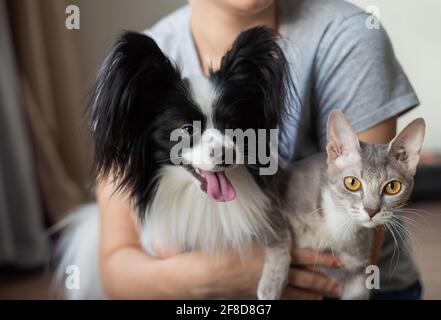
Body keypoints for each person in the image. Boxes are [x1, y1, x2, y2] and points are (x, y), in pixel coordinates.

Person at [97, 0, 421, 299]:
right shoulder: (142, 66)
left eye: (232, 128)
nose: (220, 148)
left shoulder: (348, 36)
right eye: (187, 132)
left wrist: (262, 268)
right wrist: (214, 275)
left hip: (347, 283)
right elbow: (117, 268)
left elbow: (359, 243)